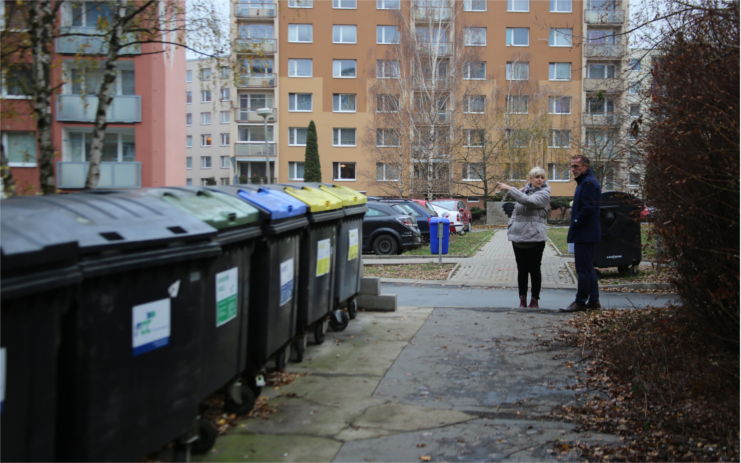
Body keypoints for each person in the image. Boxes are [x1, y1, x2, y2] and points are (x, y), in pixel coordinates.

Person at [496, 167, 551, 309]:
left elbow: (529, 202)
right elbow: (516, 209)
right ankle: (522, 300)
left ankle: (534, 300)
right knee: (522, 270)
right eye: (536, 177)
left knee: (534, 269)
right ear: (530, 179)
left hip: (536, 237)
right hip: (518, 236)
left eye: (542, 177)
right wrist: (511, 223)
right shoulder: (523, 190)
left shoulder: (544, 193)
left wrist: (509, 188)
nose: (540, 180)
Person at [561, 155, 602, 312]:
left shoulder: (589, 183)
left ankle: (580, 302)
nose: (573, 170)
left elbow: (588, 208)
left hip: (585, 233)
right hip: (586, 233)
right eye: (571, 166)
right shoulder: (585, 182)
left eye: (576, 166)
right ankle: (594, 301)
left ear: (585, 166)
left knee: (583, 270)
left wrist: (576, 222)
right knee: (588, 269)